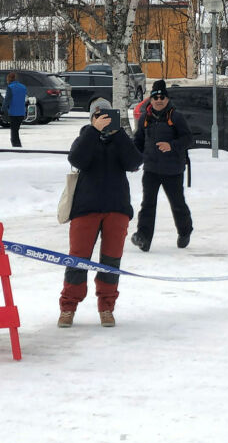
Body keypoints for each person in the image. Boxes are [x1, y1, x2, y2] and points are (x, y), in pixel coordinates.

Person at [58, 97, 143, 327]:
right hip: (86, 207)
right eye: (98, 116)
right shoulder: (85, 137)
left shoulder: (120, 138)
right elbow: (76, 159)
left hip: (117, 208)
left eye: (106, 115)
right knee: (77, 259)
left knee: (111, 260)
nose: (103, 120)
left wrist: (119, 134)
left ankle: (107, 306)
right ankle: (68, 307)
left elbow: (135, 162)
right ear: (91, 118)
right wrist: (94, 132)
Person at [130, 79, 193, 251]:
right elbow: (138, 141)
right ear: (150, 100)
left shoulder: (176, 117)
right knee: (147, 204)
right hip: (151, 169)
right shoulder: (145, 118)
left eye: (162, 98)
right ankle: (143, 238)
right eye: (155, 97)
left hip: (173, 169)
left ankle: (185, 231)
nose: (158, 100)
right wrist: (135, 160)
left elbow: (188, 139)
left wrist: (171, 145)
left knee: (177, 203)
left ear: (167, 99)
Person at [2, 71, 27, 147]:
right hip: (21, 112)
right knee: (16, 130)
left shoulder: (10, 88)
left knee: (14, 131)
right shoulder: (23, 87)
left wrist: (3, 109)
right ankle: (17, 145)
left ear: (9, 79)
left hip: (13, 112)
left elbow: (7, 100)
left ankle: (16, 146)